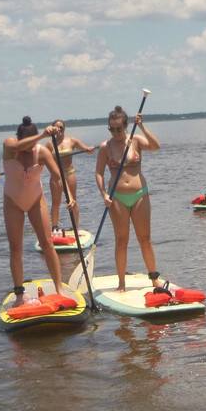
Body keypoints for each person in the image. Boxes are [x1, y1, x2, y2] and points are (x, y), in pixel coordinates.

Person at [1, 117, 72, 306]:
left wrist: (70, 197)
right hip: (12, 202)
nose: (29, 148)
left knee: (47, 243)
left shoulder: (42, 152)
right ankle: (18, 295)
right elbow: (19, 147)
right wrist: (42, 135)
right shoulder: (10, 145)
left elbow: (58, 176)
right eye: (26, 143)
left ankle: (60, 289)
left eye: (33, 144)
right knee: (16, 249)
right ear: (18, 138)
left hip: (35, 201)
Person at [94, 105, 162, 292]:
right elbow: (99, 173)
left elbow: (156, 146)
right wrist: (103, 194)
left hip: (140, 194)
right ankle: (121, 283)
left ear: (125, 126)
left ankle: (154, 277)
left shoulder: (136, 140)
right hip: (117, 199)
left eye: (119, 129)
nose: (115, 132)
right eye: (111, 129)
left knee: (145, 239)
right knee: (121, 241)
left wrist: (141, 126)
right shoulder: (105, 147)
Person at [43, 120, 95, 234]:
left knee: (73, 201)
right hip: (56, 177)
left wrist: (90, 150)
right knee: (55, 203)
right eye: (56, 128)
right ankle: (54, 227)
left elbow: (87, 151)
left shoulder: (72, 141)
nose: (59, 130)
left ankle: (76, 228)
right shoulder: (49, 144)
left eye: (61, 127)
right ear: (53, 130)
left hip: (69, 173)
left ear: (64, 128)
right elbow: (41, 159)